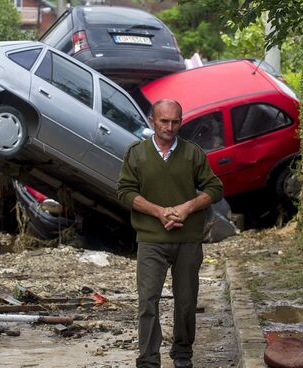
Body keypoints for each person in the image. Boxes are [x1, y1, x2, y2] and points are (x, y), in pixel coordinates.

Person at [117, 99, 223, 368]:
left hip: (187, 240)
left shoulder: (192, 153)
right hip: (151, 239)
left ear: (181, 121)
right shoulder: (137, 153)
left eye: (175, 121)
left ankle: (183, 353)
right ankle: (149, 360)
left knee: (186, 301)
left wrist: (188, 207)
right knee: (147, 301)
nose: (170, 127)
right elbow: (125, 192)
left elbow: (214, 189)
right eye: (164, 121)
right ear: (152, 121)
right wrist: (158, 211)